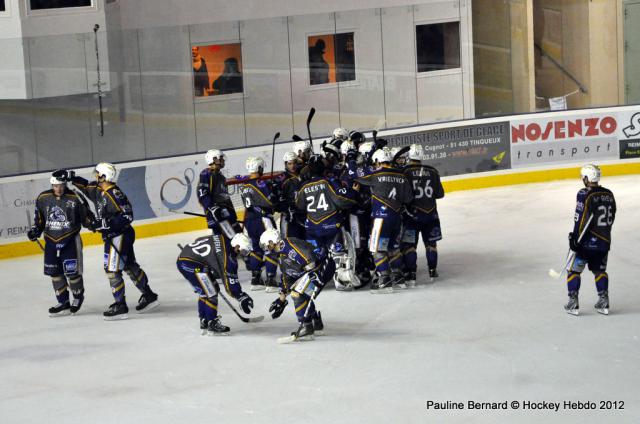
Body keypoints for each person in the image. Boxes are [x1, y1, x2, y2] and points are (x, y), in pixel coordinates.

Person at [61, 164, 159, 320]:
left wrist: (105, 224)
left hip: (118, 236)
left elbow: (127, 216)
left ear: (104, 176)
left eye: (98, 174)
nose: (95, 176)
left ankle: (120, 305)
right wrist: (73, 179)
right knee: (128, 265)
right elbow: (86, 186)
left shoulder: (114, 194)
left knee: (112, 270)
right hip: (117, 235)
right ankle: (149, 295)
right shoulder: (99, 188)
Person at [27, 171, 94, 316]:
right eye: (56, 185)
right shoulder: (43, 198)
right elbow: (39, 219)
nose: (59, 188)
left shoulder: (75, 197)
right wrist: (35, 231)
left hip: (70, 240)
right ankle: (63, 302)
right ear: (52, 184)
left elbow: (86, 217)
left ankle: (77, 297)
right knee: (55, 273)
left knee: (73, 273)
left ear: (65, 184)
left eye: (61, 185)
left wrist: (93, 224)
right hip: (51, 241)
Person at [356, 147, 413, 293]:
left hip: (380, 219)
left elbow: (356, 177)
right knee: (394, 249)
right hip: (397, 218)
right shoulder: (402, 176)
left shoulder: (375, 175)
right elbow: (408, 198)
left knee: (377, 249)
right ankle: (399, 278)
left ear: (378, 161)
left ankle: (385, 280)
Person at [296, 154, 357, 290]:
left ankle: (312, 284)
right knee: (338, 254)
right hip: (330, 224)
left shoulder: (303, 186)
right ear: (323, 169)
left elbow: (299, 204)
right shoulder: (328, 182)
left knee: (315, 256)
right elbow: (340, 199)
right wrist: (353, 193)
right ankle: (341, 282)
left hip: (311, 227)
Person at [260, 229, 334, 341]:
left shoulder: (289, 247)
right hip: (314, 270)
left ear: (272, 242)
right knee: (301, 292)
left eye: (266, 245)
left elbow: (311, 261)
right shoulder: (280, 254)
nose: (265, 248)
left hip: (322, 268)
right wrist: (281, 299)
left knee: (297, 293)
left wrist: (313, 274)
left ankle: (306, 327)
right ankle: (316, 322)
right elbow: (288, 275)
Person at [177, 232, 255, 335]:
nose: (243, 254)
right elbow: (230, 283)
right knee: (211, 292)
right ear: (237, 246)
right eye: (243, 251)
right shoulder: (227, 258)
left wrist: (206, 260)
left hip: (186, 260)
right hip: (192, 265)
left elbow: (199, 239)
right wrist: (240, 296)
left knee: (206, 291)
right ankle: (212, 324)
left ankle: (204, 320)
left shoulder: (221, 237)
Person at [564, 164, 616, 316]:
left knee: (573, 270)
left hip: (585, 243)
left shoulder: (584, 194)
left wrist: (574, 238)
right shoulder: (609, 194)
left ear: (587, 178)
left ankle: (573, 303)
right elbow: (612, 216)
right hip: (604, 242)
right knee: (599, 270)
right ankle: (604, 301)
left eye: (583, 177)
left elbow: (580, 219)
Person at [400, 144, 444, 286]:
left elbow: (403, 196)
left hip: (411, 216)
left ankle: (412, 273)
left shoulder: (404, 171)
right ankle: (433, 270)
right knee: (431, 244)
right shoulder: (433, 171)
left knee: (409, 246)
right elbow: (440, 194)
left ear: (409, 156)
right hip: (431, 215)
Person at [240, 157, 279, 292]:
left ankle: (256, 279)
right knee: (271, 248)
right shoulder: (261, 183)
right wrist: (273, 190)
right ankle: (271, 281)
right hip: (263, 220)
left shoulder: (244, 187)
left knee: (255, 249)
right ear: (259, 168)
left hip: (249, 221)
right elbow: (270, 202)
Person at [197, 149, 241, 241]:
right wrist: (213, 208)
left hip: (227, 214)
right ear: (214, 159)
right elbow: (202, 195)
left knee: (238, 237)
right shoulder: (206, 174)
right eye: (221, 158)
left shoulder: (220, 176)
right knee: (232, 241)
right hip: (219, 215)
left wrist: (234, 179)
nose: (223, 160)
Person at [277, 151, 305, 240]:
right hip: (289, 217)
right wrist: (286, 208)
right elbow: (278, 199)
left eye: (294, 163)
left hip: (304, 214)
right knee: (289, 241)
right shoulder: (282, 179)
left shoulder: (303, 174)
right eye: (289, 164)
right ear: (285, 164)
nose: (292, 166)